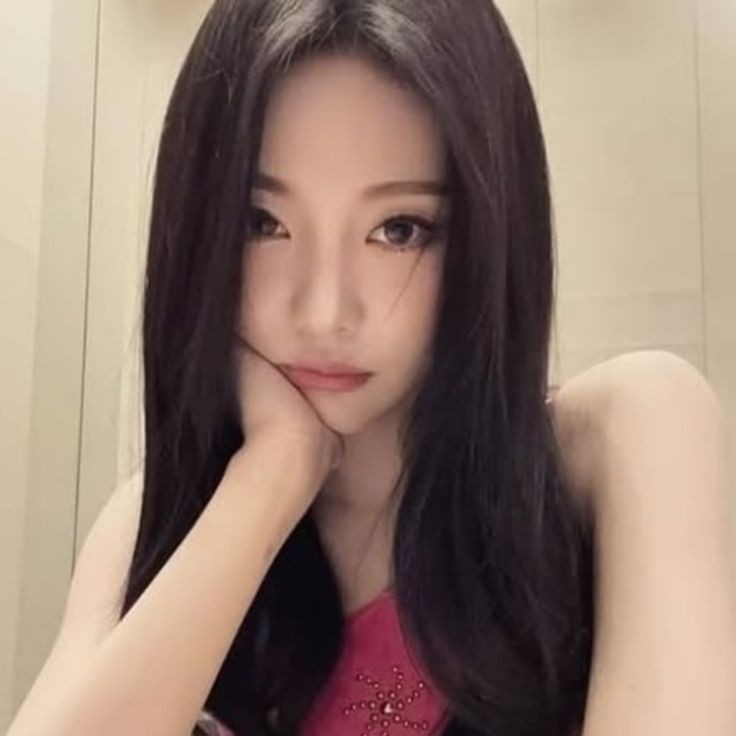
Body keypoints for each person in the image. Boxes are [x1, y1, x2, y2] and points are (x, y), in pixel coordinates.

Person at [5, 1, 637, 734]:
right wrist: (274, 473)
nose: (324, 312)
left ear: (487, 242)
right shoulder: (152, 521)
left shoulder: (608, 452)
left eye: (399, 230)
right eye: (262, 224)